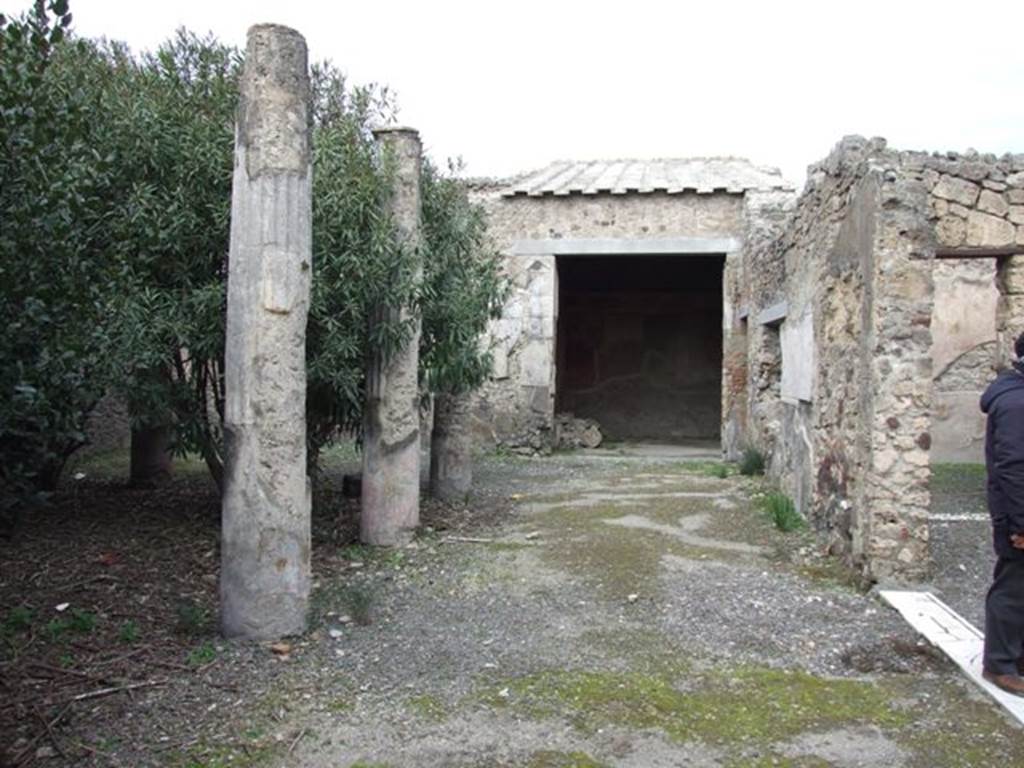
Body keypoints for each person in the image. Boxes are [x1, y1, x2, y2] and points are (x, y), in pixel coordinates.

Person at [980, 331, 1024, 696]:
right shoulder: (1014, 403)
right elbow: (1013, 467)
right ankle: (999, 664)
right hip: (1016, 515)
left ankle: (1016, 656)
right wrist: (1021, 523)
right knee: (1013, 586)